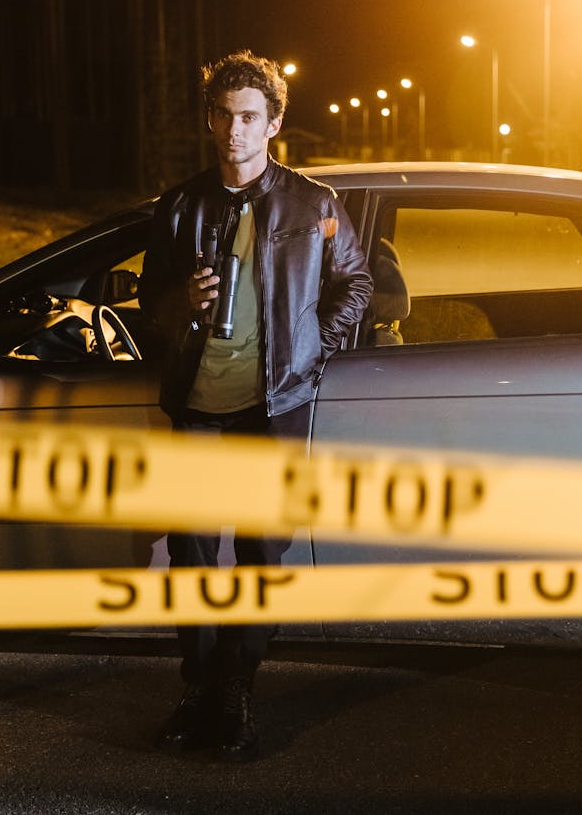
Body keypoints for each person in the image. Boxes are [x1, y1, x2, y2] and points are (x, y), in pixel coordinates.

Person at [139, 50, 373, 761]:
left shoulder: (311, 204)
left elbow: (357, 284)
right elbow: (148, 302)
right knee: (191, 549)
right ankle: (197, 684)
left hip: (273, 404)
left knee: (262, 552)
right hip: (199, 405)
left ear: (273, 122)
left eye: (248, 117)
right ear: (209, 120)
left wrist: (311, 348)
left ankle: (237, 685)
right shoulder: (181, 205)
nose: (233, 131)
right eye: (222, 115)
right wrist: (182, 303)